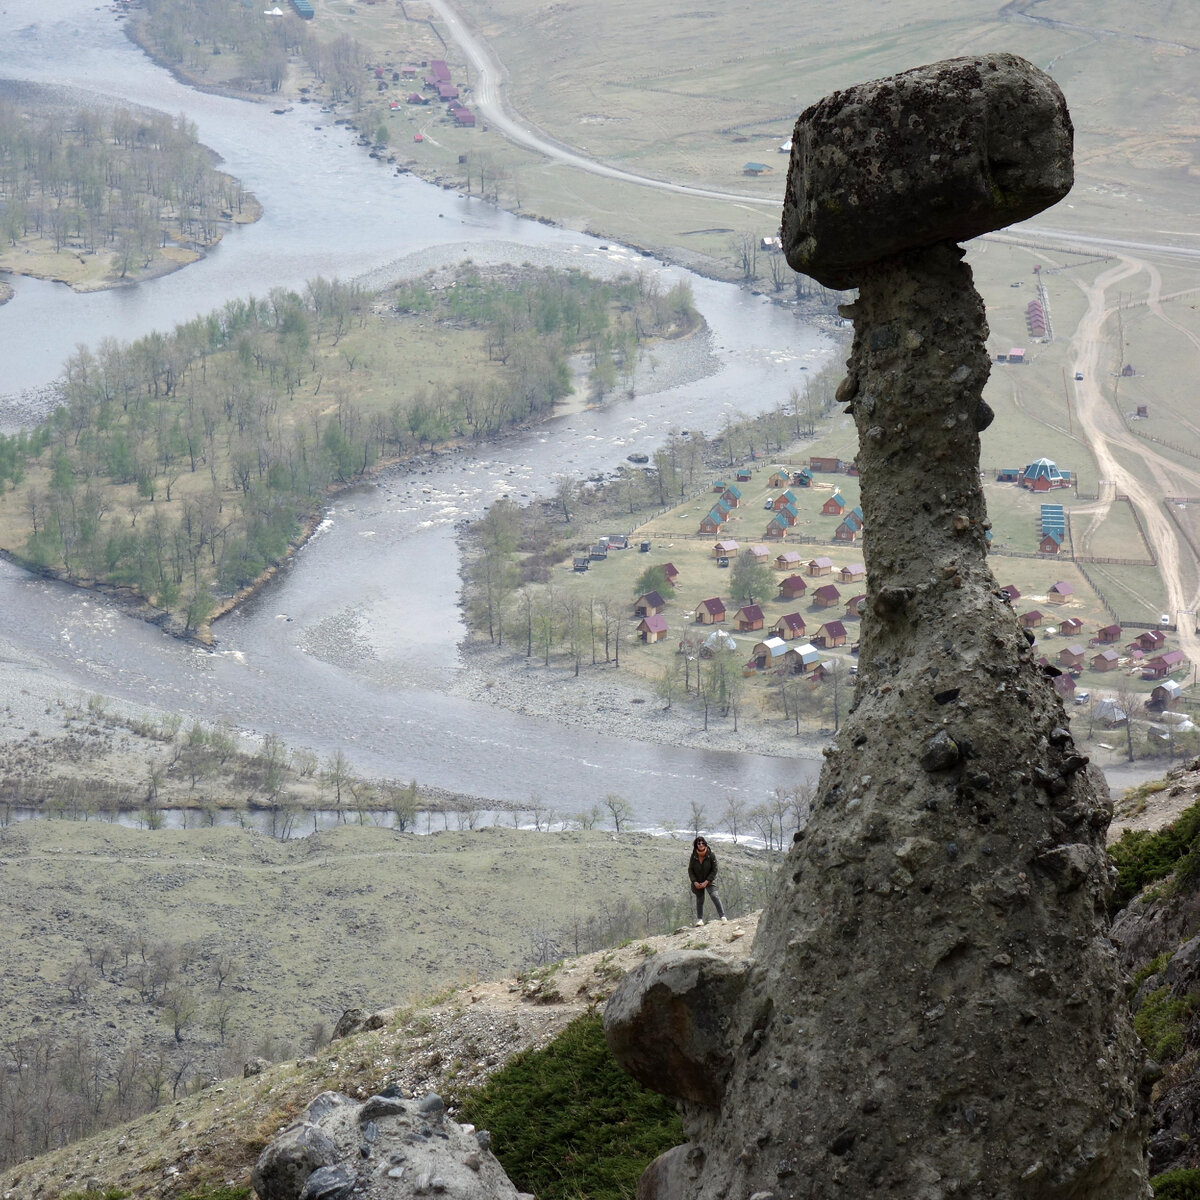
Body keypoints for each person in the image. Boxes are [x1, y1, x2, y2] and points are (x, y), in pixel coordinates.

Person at [688, 835, 727, 925]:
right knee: (700, 899)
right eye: (699, 843)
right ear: (696, 845)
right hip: (697, 880)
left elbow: (715, 869)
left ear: (705, 844)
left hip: (709, 880)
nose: (701, 845)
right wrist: (694, 881)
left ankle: (723, 916)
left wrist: (707, 881)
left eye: (702, 843)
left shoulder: (711, 854)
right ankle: (700, 919)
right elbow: (690, 869)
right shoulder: (693, 856)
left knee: (714, 896)